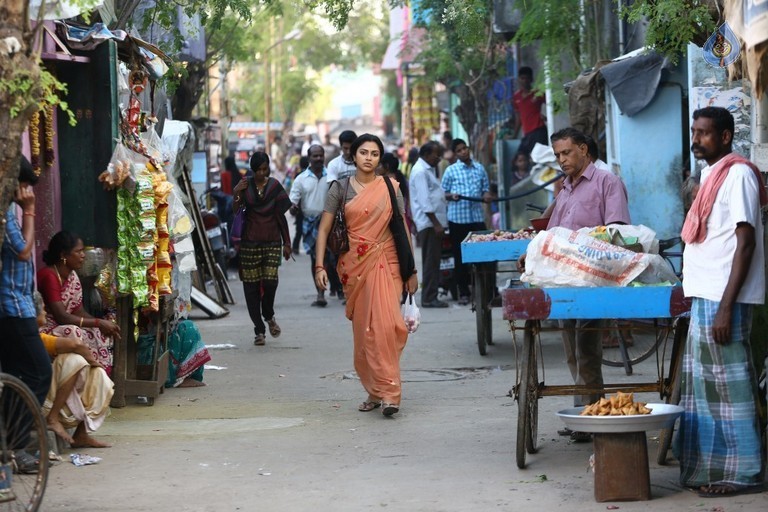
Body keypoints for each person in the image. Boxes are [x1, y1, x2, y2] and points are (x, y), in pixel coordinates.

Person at [675, 106, 766, 497]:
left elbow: (746, 244)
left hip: (724, 298)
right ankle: (712, 467)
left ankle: (746, 472)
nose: (696, 140)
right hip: (706, 293)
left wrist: (728, 306)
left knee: (732, 388)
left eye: (705, 133)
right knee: (706, 391)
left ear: (726, 136)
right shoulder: (710, 174)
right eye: (695, 132)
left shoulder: (740, 174)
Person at [519, 127, 630, 441]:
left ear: (583, 149)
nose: (562, 159)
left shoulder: (607, 183)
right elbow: (552, 232)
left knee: (587, 348)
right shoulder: (565, 187)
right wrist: (533, 253)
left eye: (566, 152)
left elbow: (616, 233)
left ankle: (591, 416)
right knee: (570, 348)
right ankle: (584, 411)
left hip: (593, 279)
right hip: (562, 280)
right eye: (557, 155)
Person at [313, 134, 419, 417]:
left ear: (379, 158)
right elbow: (323, 229)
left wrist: (412, 270)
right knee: (365, 333)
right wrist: (319, 266)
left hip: (389, 262)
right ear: (354, 156)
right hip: (354, 267)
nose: (369, 158)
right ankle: (375, 390)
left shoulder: (389, 187)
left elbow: (402, 229)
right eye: (363, 152)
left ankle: (390, 394)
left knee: (388, 326)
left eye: (374, 153)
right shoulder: (340, 188)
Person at [0, 156, 53, 473]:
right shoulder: (7, 213)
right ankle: (15, 442)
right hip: (11, 308)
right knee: (39, 372)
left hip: (17, 305)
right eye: (23, 186)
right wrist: (30, 211)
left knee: (18, 377)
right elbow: (22, 250)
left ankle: (10, 446)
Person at [35, 292, 113, 448]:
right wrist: (93, 361)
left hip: (56, 395)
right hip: (40, 401)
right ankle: (52, 418)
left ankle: (81, 434)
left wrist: (95, 366)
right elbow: (76, 345)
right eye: (43, 309)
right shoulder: (33, 336)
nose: (45, 312)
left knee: (99, 375)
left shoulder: (40, 334)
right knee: (75, 359)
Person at [37, 231, 121, 376]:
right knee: (75, 331)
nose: (83, 255)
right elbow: (61, 317)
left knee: (98, 333)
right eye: (78, 251)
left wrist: (101, 325)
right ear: (63, 255)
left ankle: (97, 378)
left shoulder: (72, 275)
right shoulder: (49, 275)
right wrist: (98, 322)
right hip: (47, 328)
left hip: (63, 325)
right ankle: (89, 371)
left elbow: (78, 311)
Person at [233, 151, 293, 345]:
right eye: (258, 170)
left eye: (265, 169)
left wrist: (287, 242)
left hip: (272, 240)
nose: (261, 173)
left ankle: (268, 314)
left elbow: (281, 215)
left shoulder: (275, 186)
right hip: (249, 241)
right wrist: (236, 192)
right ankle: (259, 330)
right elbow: (237, 211)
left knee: (270, 282)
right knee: (250, 288)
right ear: (252, 169)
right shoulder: (245, 184)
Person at [441, 138, 492, 305]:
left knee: (483, 255)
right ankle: (463, 291)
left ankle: (485, 291)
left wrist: (486, 196)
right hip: (458, 220)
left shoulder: (480, 169)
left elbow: (486, 189)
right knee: (460, 256)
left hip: (476, 218)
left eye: (465, 148)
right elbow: (443, 193)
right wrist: (451, 196)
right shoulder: (451, 171)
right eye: (459, 150)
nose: (464, 152)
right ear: (455, 154)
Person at [289, 144, 342, 306]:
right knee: (316, 259)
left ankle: (339, 289)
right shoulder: (301, 179)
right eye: (315, 156)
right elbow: (292, 204)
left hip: (330, 222)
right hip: (310, 223)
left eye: (321, 155)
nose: (318, 159)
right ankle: (321, 293)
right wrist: (293, 209)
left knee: (335, 258)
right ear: (309, 158)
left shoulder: (332, 177)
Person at [408, 141, 448, 308]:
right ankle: (429, 297)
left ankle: (430, 294)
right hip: (428, 223)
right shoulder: (420, 172)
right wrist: (436, 224)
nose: (439, 158)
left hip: (432, 222)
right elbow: (424, 201)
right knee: (431, 261)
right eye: (436, 154)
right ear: (426, 154)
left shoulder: (428, 170)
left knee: (434, 260)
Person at [512, 66, 548, 155]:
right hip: (527, 133)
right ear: (519, 79)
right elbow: (518, 118)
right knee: (520, 157)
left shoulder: (537, 93)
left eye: (527, 78)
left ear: (531, 79)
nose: (525, 81)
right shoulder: (516, 97)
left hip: (539, 131)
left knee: (539, 159)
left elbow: (553, 105)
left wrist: (546, 117)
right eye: (522, 78)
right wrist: (514, 135)